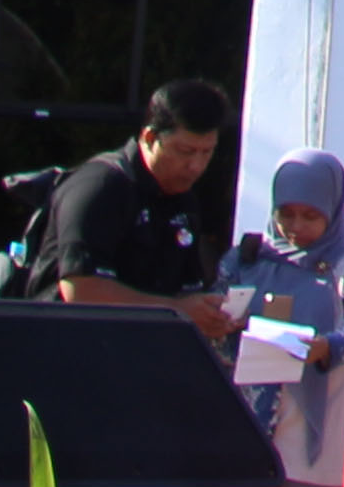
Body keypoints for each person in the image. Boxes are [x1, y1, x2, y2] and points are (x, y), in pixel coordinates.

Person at [218, 149, 344, 487]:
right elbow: (211, 332)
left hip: (311, 434)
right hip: (245, 426)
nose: (296, 227)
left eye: (310, 216)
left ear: (332, 211)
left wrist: (324, 346)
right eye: (286, 214)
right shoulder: (246, 258)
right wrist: (223, 323)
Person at [48, 82, 235, 336]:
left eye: (206, 152)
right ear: (149, 138)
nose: (195, 166)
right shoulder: (100, 187)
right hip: (67, 347)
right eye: (185, 151)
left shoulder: (184, 200)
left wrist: (210, 315)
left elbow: (187, 289)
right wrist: (175, 310)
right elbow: (80, 289)